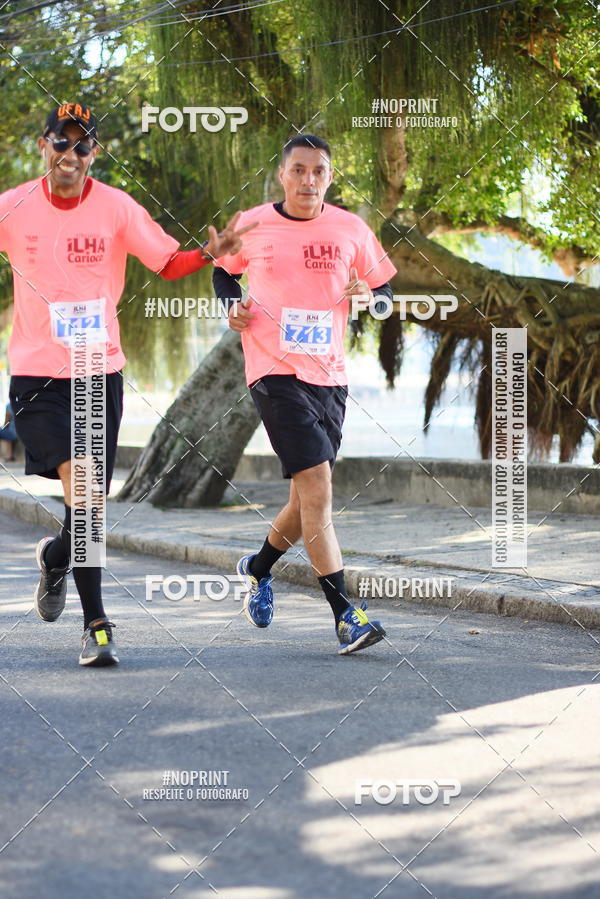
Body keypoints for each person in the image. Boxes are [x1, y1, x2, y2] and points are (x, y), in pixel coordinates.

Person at [3, 102, 256, 666]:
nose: (72, 155)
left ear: (96, 152)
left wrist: (209, 254)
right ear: (43, 145)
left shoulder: (117, 208)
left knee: (89, 501)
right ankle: (94, 620)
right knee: (86, 494)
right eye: (62, 143)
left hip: (99, 372)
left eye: (83, 145)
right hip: (37, 375)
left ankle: (61, 567)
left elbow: (166, 263)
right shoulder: (13, 207)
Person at [212, 134, 397, 654]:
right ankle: (346, 615)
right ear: (282, 175)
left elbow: (384, 294)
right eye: (298, 170)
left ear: (329, 177)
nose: (308, 180)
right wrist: (231, 306)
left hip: (329, 376)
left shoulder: (352, 229)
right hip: (272, 370)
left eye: (318, 171)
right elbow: (222, 273)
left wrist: (372, 300)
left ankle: (258, 567)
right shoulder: (252, 223)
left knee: (303, 498)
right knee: (317, 486)